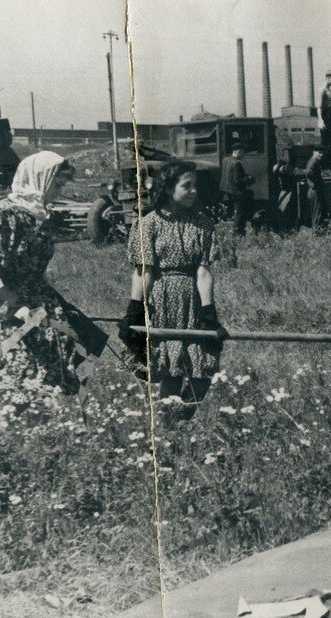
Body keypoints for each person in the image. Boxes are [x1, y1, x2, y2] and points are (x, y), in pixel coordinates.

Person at [0, 151, 81, 406]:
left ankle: (44, 437)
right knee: (16, 379)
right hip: (7, 305)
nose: (60, 191)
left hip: (40, 303)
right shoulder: (3, 214)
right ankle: (15, 435)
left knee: (50, 381)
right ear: (41, 178)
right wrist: (13, 305)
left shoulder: (39, 216)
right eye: (58, 184)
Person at [123, 160, 224, 415]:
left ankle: (184, 417)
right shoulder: (149, 224)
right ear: (168, 188)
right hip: (163, 301)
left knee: (203, 368)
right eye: (186, 186)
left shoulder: (202, 224)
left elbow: (203, 271)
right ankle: (170, 429)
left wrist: (208, 311)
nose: (194, 191)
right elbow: (143, 271)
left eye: (195, 186)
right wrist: (135, 309)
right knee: (172, 368)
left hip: (193, 300)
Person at [219, 141, 254, 236]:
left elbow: (231, 175)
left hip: (227, 190)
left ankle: (238, 231)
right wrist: (248, 178)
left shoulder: (226, 160)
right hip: (237, 192)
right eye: (242, 152)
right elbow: (237, 181)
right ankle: (238, 233)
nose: (243, 154)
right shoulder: (237, 163)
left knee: (236, 212)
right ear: (238, 151)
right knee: (239, 213)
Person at [317, 70, 331, 170]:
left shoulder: (329, 90)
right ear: (328, 78)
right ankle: (323, 166)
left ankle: (328, 166)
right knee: (326, 142)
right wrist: (321, 120)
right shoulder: (323, 90)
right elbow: (319, 107)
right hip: (326, 118)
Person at [304, 146, 328, 228]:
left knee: (318, 213)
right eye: (319, 152)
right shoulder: (313, 162)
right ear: (314, 152)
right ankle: (316, 234)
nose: (321, 154)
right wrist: (315, 182)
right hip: (315, 191)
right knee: (317, 214)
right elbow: (308, 173)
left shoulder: (314, 162)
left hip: (314, 190)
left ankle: (317, 232)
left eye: (322, 153)